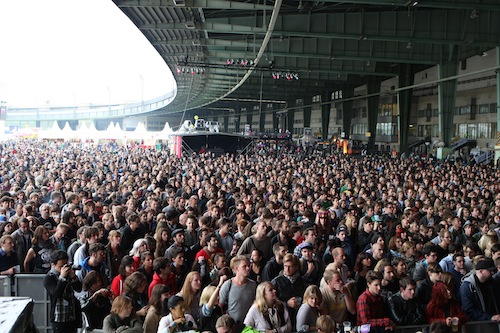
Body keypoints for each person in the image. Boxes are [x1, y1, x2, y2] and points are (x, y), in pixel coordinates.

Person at [44, 250, 82, 333]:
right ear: (53, 265)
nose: (63, 269)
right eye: (60, 266)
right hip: (59, 317)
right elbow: (56, 293)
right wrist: (62, 278)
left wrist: (73, 277)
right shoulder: (49, 278)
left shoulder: (68, 274)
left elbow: (78, 288)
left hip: (71, 315)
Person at [219, 255, 257, 324]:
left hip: (249, 324)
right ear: (237, 269)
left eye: (248, 266)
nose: (248, 268)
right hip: (233, 325)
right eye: (244, 266)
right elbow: (220, 306)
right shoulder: (228, 285)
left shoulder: (253, 285)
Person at [272, 253, 307, 327]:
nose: (287, 269)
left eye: (290, 267)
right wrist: (286, 303)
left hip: (298, 317)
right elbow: (271, 301)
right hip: (281, 319)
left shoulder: (301, 281)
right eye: (285, 266)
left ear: (296, 267)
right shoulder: (277, 282)